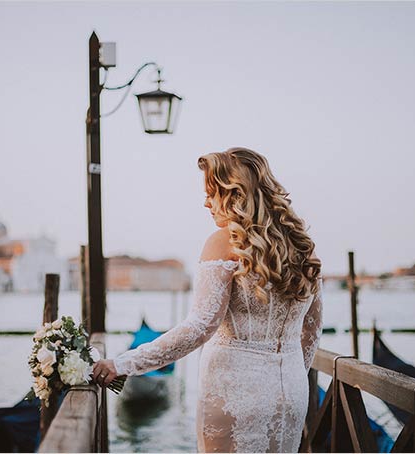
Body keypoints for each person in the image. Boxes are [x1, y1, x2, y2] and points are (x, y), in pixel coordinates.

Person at [92, 147, 323, 453]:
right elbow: (312, 330)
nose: (206, 202)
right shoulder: (302, 245)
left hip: (233, 391)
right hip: (291, 392)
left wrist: (125, 362)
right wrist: (288, 374)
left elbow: (200, 326)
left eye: (211, 193)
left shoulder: (224, 241)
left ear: (234, 193)